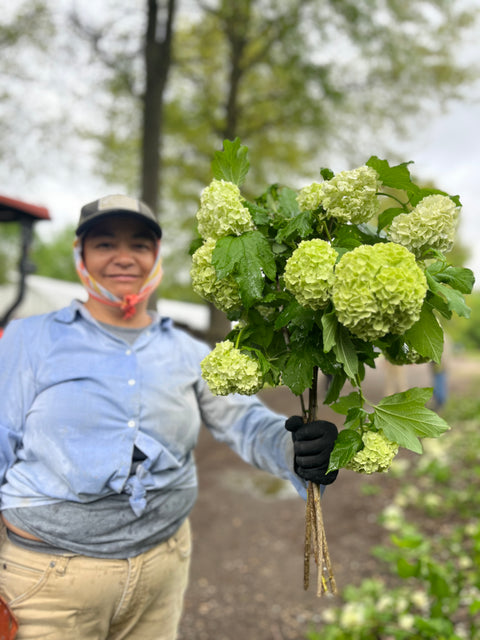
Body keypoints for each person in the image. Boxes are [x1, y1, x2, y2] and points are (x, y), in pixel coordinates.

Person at [0, 194, 338, 640]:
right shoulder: (29, 339)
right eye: (104, 244)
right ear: (80, 255)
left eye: (140, 245)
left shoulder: (186, 350)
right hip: (49, 579)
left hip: (163, 567)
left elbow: (244, 421)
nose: (124, 257)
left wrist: (296, 448)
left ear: (155, 257)